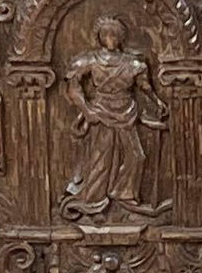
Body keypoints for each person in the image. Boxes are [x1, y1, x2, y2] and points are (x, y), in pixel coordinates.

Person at [63, 15, 166, 218]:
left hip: (126, 111)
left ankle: (123, 194)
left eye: (114, 34)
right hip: (102, 111)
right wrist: (87, 111)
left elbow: (144, 86)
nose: (110, 38)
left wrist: (158, 102)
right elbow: (73, 87)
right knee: (102, 160)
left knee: (137, 156)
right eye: (106, 34)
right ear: (99, 37)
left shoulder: (132, 63)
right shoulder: (90, 61)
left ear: (121, 37)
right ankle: (94, 204)